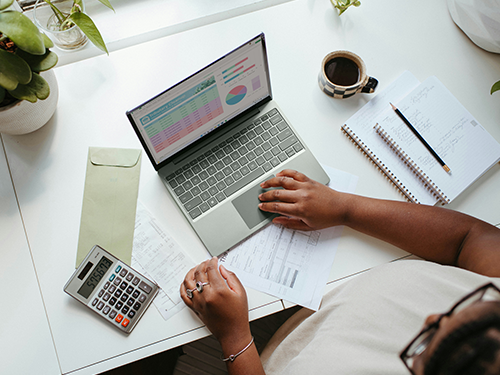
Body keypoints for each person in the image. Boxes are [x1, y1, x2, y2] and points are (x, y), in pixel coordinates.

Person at [180, 169, 500, 375]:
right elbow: (471, 239)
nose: (430, 318)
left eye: (425, 345)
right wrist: (345, 208)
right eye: (473, 304)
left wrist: (235, 338)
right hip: (316, 309)